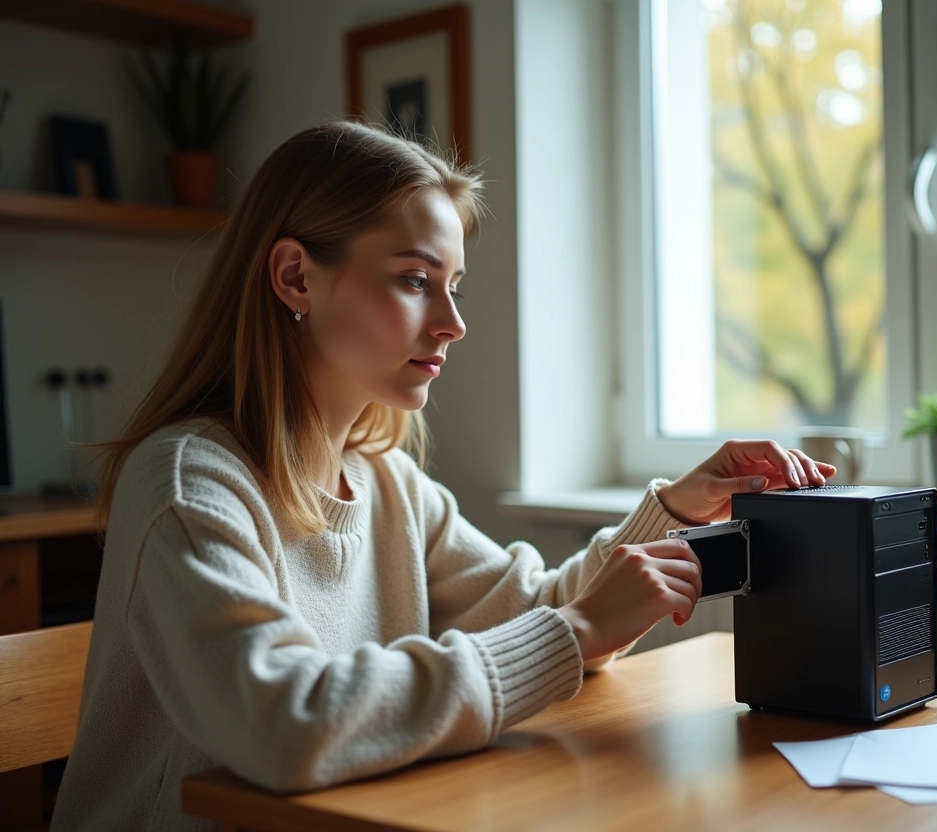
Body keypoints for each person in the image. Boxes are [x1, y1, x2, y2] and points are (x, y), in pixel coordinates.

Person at [50, 122, 834, 831]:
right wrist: (580, 628)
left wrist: (674, 507)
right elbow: (284, 725)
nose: (453, 322)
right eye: (415, 279)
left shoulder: (385, 482)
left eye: (452, 285)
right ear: (295, 277)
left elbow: (536, 614)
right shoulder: (191, 484)